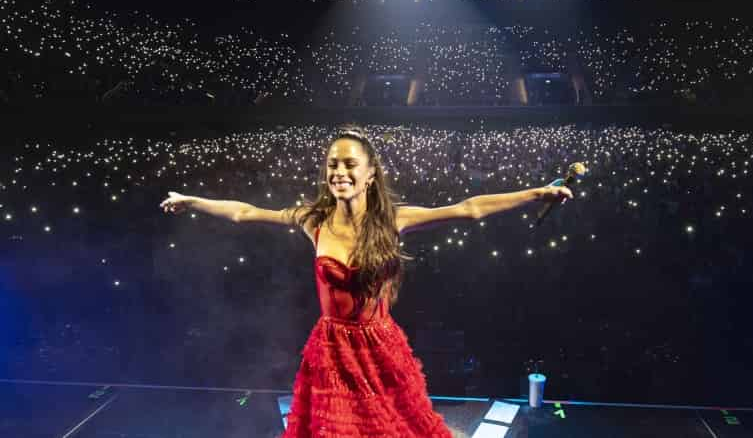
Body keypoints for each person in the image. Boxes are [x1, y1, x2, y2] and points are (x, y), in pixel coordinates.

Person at [160, 126, 573, 436]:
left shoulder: (393, 219)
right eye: (332, 164)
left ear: (370, 173)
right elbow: (245, 213)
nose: (338, 171)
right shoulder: (314, 220)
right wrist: (191, 201)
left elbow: (470, 209)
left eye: (348, 164)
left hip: (379, 347)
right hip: (332, 350)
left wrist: (538, 193)